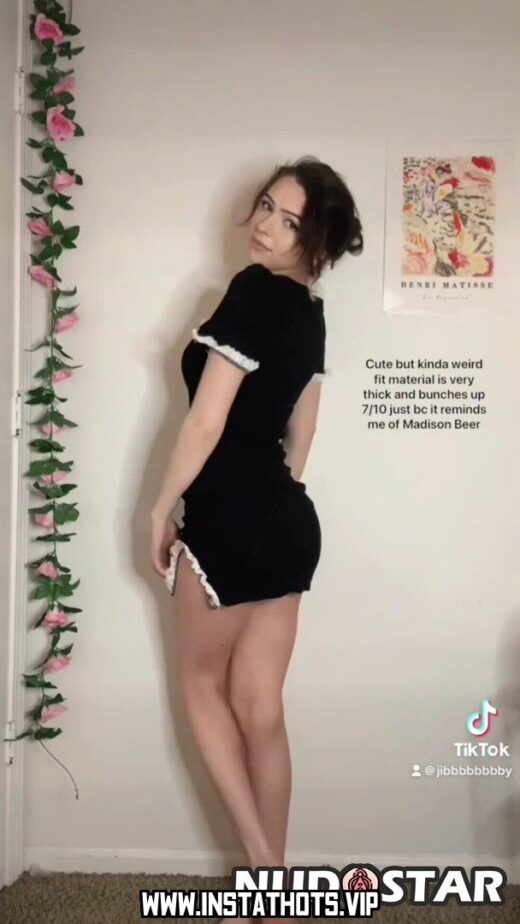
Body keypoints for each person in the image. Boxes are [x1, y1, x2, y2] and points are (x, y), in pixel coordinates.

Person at [150, 156, 363, 900]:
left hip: (228, 521)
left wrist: (158, 509)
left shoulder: (250, 290)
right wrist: (276, 507)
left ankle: (266, 881)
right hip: (289, 523)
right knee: (261, 710)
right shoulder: (311, 312)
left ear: (319, 239)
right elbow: (304, 432)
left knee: (201, 688)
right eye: (267, 206)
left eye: (290, 219)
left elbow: (206, 422)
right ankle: (270, 896)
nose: (267, 225)